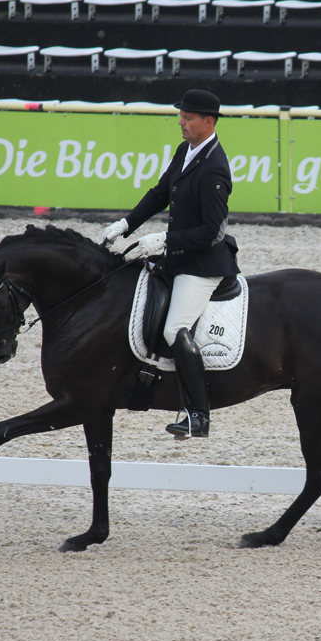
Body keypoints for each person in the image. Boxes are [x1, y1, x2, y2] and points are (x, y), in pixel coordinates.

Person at [99, 89, 239, 440]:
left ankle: (198, 416)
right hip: (178, 255)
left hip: (203, 263)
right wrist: (126, 224)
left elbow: (212, 232)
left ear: (209, 122)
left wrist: (164, 240)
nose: (181, 122)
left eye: (188, 118)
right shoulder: (185, 151)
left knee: (174, 328)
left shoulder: (215, 169)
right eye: (181, 116)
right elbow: (160, 193)